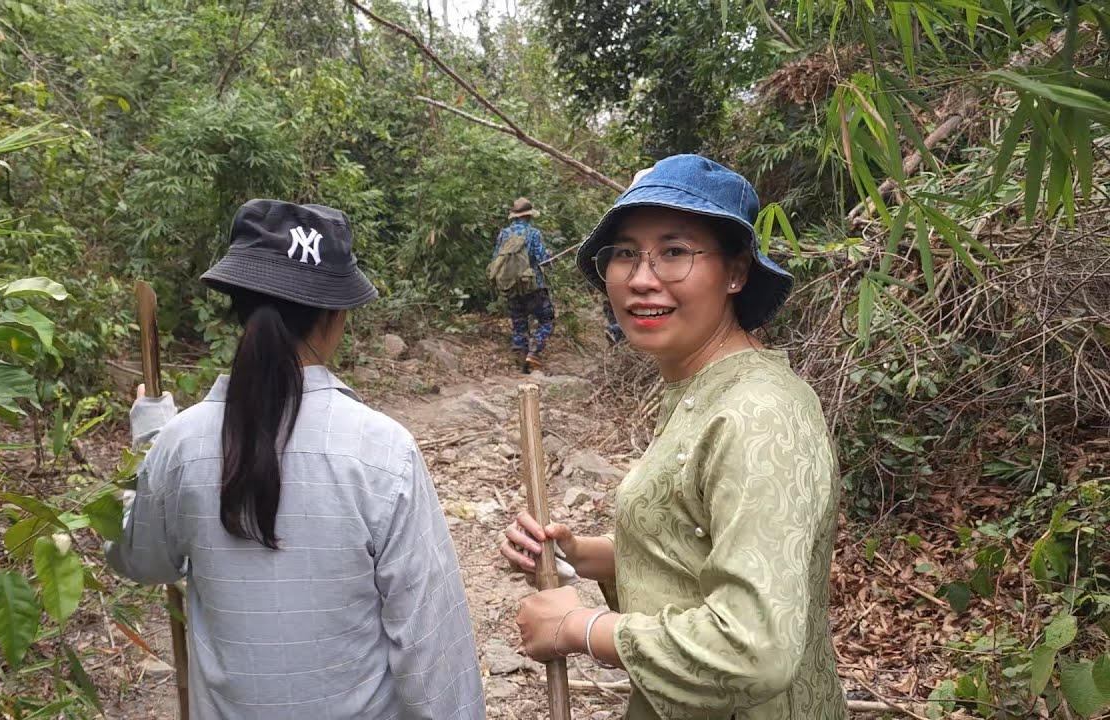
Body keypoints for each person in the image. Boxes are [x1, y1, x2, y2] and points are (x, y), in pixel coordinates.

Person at [107, 200, 485, 720]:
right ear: (336, 316)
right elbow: (431, 647)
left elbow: (141, 560)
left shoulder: (180, 444)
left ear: (238, 310)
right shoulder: (382, 451)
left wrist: (149, 442)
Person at [498, 155, 846, 719]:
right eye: (626, 253)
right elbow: (696, 549)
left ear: (736, 273)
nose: (641, 278)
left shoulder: (757, 413)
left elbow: (754, 650)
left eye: (675, 252)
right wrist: (581, 558)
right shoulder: (701, 390)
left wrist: (580, 628)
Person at [489, 197, 554, 372]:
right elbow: (542, 260)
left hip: (510, 286)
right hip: (533, 287)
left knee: (519, 324)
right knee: (547, 319)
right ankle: (534, 351)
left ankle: (520, 360)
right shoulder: (533, 234)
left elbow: (496, 258)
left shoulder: (504, 234)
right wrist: (549, 255)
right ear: (529, 216)